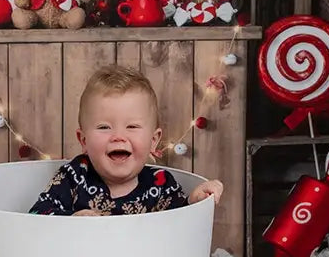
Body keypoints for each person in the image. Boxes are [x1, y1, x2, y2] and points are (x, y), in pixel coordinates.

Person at [29, 65, 223, 216]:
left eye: (132, 127)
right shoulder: (74, 176)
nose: (118, 136)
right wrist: (71, 220)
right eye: (104, 127)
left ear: (153, 140)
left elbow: (178, 224)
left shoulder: (160, 184)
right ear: (84, 140)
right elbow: (37, 214)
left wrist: (195, 202)